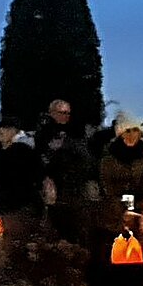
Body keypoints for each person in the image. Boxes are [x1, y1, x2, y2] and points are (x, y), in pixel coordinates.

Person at [98, 113, 143, 286]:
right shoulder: (110, 153)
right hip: (120, 207)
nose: (131, 135)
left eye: (135, 130)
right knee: (124, 253)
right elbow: (107, 184)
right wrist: (125, 208)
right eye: (127, 131)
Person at [36, 100, 94, 246]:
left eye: (68, 113)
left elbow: (85, 158)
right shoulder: (43, 134)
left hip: (75, 188)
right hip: (53, 189)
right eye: (62, 113)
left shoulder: (76, 133)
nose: (65, 117)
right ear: (52, 113)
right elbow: (39, 159)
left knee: (77, 231)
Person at [0, 121, 44, 253]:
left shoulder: (15, 152)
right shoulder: (28, 149)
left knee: (16, 241)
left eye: (1, 133)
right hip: (27, 202)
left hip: (16, 204)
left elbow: (3, 179)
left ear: (12, 130)